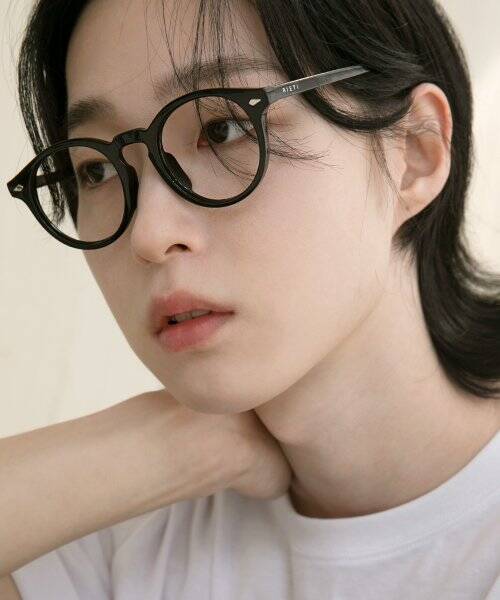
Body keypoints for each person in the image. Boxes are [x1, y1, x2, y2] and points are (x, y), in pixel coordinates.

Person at [2, 0, 499, 598]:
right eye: (97, 168)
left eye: (223, 128)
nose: (149, 235)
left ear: (415, 150)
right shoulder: (121, 541)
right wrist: (166, 447)